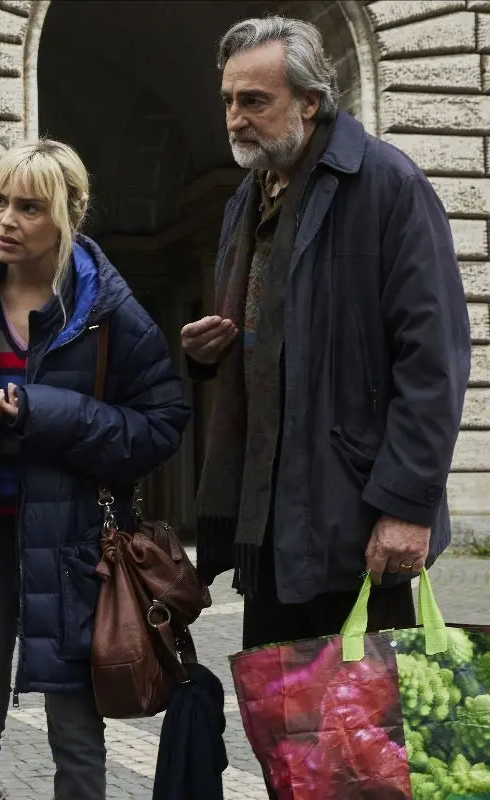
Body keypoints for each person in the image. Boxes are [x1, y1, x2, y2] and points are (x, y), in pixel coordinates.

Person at [0, 140, 191, 800]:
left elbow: (162, 423)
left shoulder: (111, 315)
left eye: (29, 207)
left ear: (68, 215)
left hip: (81, 553)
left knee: (75, 736)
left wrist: (46, 412)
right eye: (0, 201)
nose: (7, 219)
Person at [184, 16, 470, 651]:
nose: (234, 118)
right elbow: (271, 340)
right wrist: (210, 355)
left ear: (310, 102)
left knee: (363, 736)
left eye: (254, 101)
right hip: (272, 522)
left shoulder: (387, 186)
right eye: (228, 100)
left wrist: (406, 505)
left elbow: (435, 362)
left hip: (359, 518)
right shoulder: (248, 197)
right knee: (284, 732)